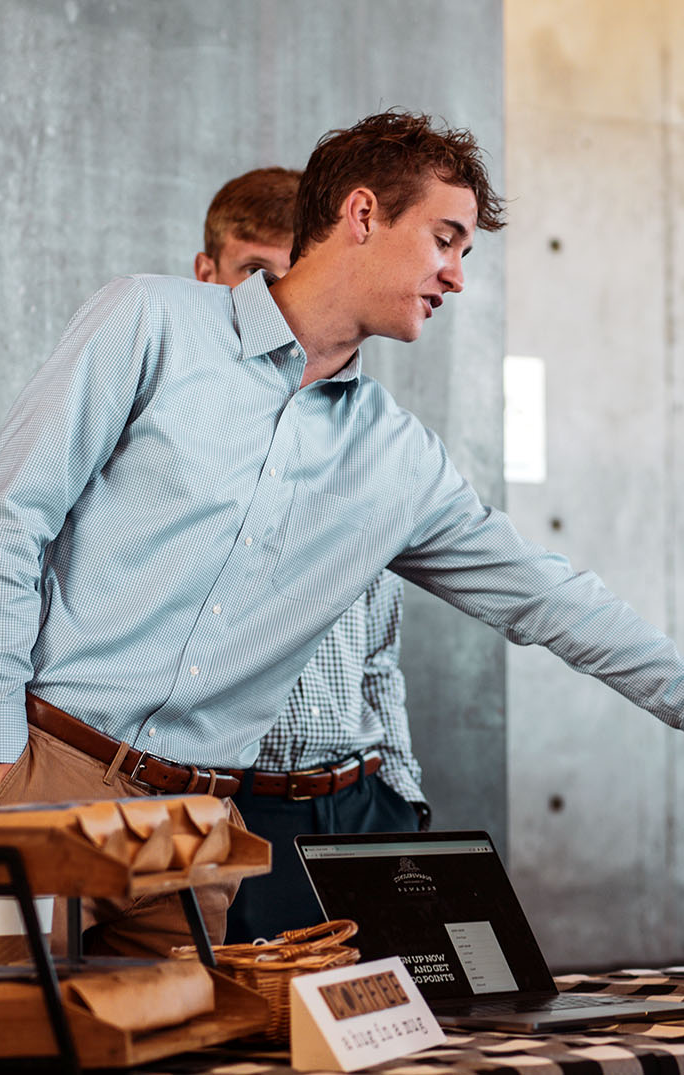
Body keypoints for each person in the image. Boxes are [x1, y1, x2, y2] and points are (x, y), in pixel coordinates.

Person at [0, 110, 684, 979]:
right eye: (446, 238)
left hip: (192, 837)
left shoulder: (398, 459)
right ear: (361, 213)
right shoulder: (149, 322)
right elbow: (11, 524)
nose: (458, 275)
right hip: (42, 780)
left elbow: (558, 602)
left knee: (175, 1058)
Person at [195, 168, 429, 943]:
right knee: (241, 1047)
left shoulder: (370, 442)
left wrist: (401, 798)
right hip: (236, 808)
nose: (274, 294)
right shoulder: (181, 427)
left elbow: (379, 653)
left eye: (287, 271)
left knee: (395, 1046)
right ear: (208, 274)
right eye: (252, 272)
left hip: (361, 803)